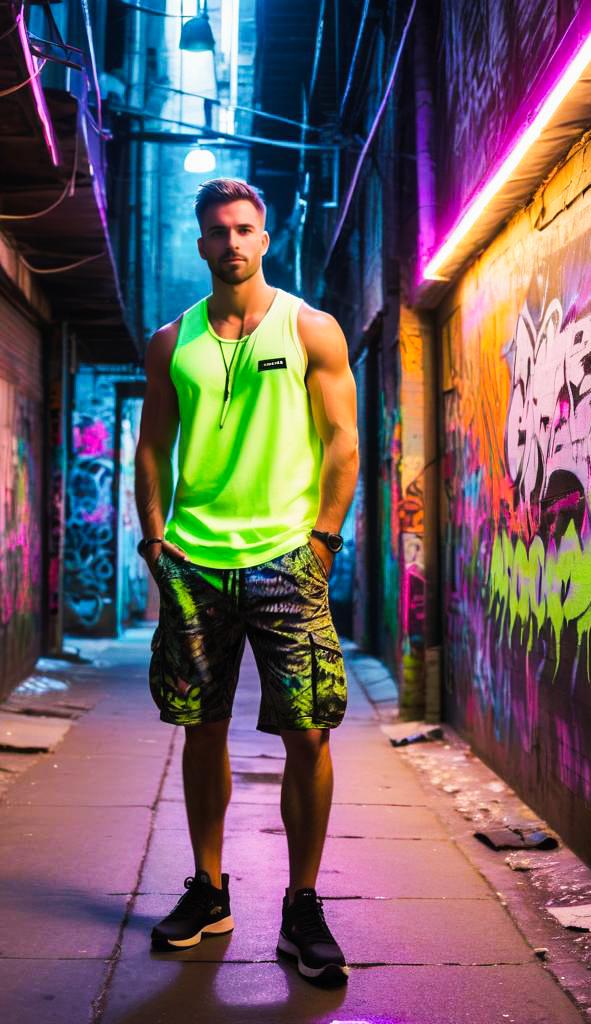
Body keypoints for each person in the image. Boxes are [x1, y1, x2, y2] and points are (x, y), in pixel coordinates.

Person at [133, 178, 359, 984]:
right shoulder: (174, 342)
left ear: (266, 238)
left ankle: (302, 907)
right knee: (203, 725)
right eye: (219, 231)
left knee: (309, 731)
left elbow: (342, 440)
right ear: (200, 244)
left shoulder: (310, 328)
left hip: (285, 557)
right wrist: (155, 536)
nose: (232, 242)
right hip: (195, 562)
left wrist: (323, 539)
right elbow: (154, 443)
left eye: (245, 228)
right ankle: (210, 888)